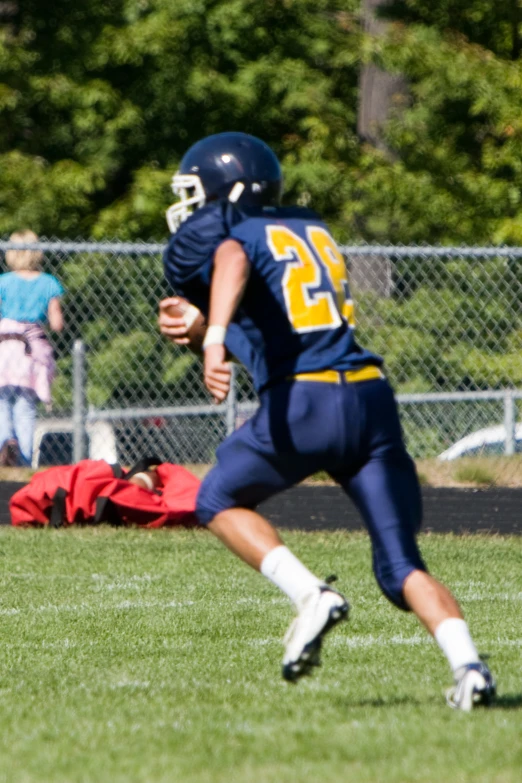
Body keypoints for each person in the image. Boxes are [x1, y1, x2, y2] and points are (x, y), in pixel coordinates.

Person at [160, 132, 495, 710]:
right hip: (369, 399)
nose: (192, 207)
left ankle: (311, 595)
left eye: (197, 193)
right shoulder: (309, 228)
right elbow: (273, 328)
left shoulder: (239, 238)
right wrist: (206, 331)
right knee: (400, 565)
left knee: (215, 497)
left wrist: (211, 335)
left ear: (228, 190)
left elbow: (234, 257)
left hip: (308, 403)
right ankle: (470, 668)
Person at [0, 230, 64, 467]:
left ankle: (5, 441)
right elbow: (57, 324)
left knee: (2, 401)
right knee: (26, 407)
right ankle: (25, 460)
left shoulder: (3, 282)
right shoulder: (48, 283)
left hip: (5, 345)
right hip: (32, 347)